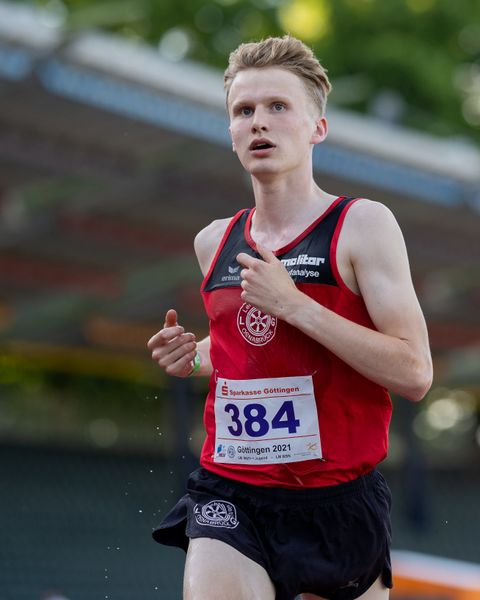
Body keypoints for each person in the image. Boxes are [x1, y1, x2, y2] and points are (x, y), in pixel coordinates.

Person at [147, 35, 432, 600]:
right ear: (230, 134)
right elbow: (248, 345)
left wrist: (294, 303)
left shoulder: (362, 226)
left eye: (278, 107)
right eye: (243, 111)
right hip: (233, 489)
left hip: (338, 500)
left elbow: (415, 372)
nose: (259, 123)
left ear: (316, 128)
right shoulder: (215, 241)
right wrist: (195, 354)